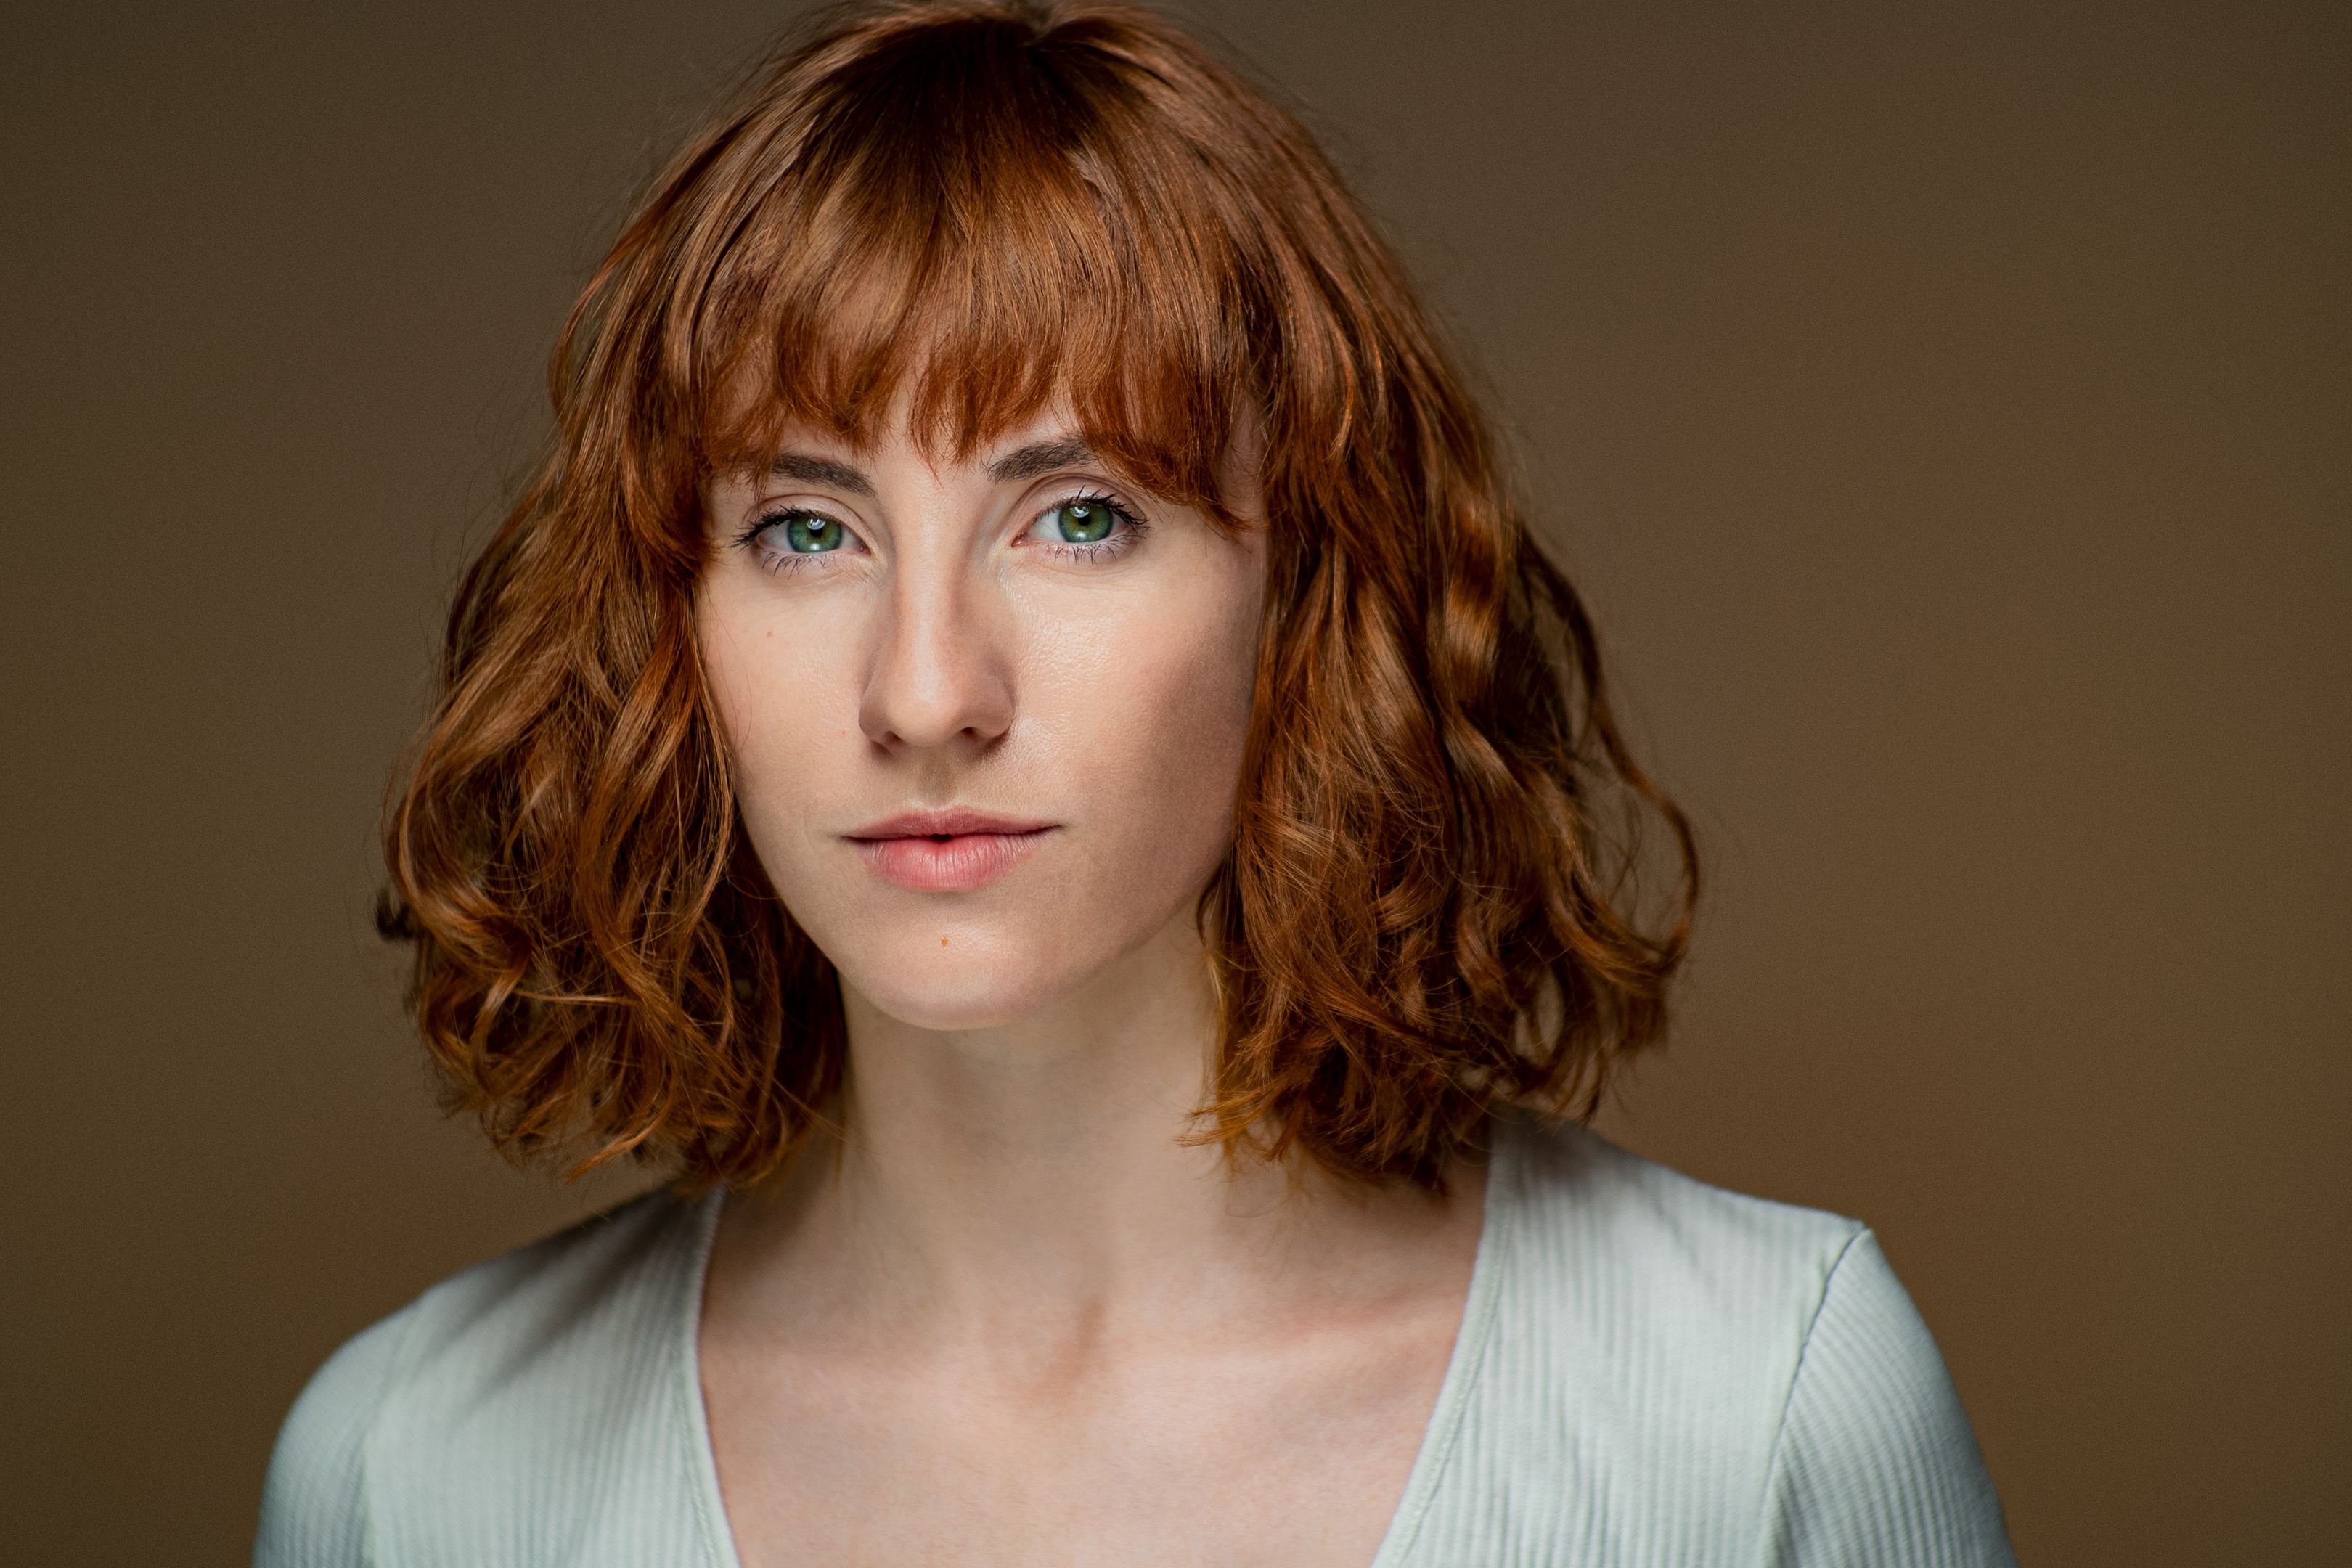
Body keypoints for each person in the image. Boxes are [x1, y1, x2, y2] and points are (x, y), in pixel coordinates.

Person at [252, 2, 2017, 1563]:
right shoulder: (416, 1473)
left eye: (1081, 516)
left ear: (1307, 586)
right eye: (806, 529)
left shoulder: (1763, 1403)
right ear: (669, 623)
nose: (925, 692)